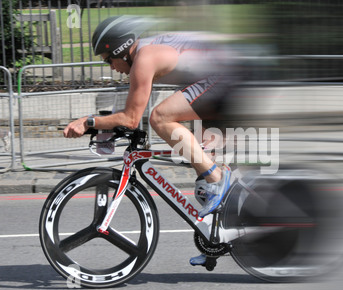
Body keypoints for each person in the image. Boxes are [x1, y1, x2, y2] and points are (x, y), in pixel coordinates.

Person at [63, 15, 233, 266]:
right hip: (223, 75)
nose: (111, 67)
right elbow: (130, 110)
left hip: (225, 76)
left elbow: (131, 118)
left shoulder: (144, 57)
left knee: (161, 118)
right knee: (204, 178)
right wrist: (107, 126)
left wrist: (87, 122)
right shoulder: (146, 52)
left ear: (121, 49)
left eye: (109, 59)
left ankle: (219, 180)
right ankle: (216, 238)